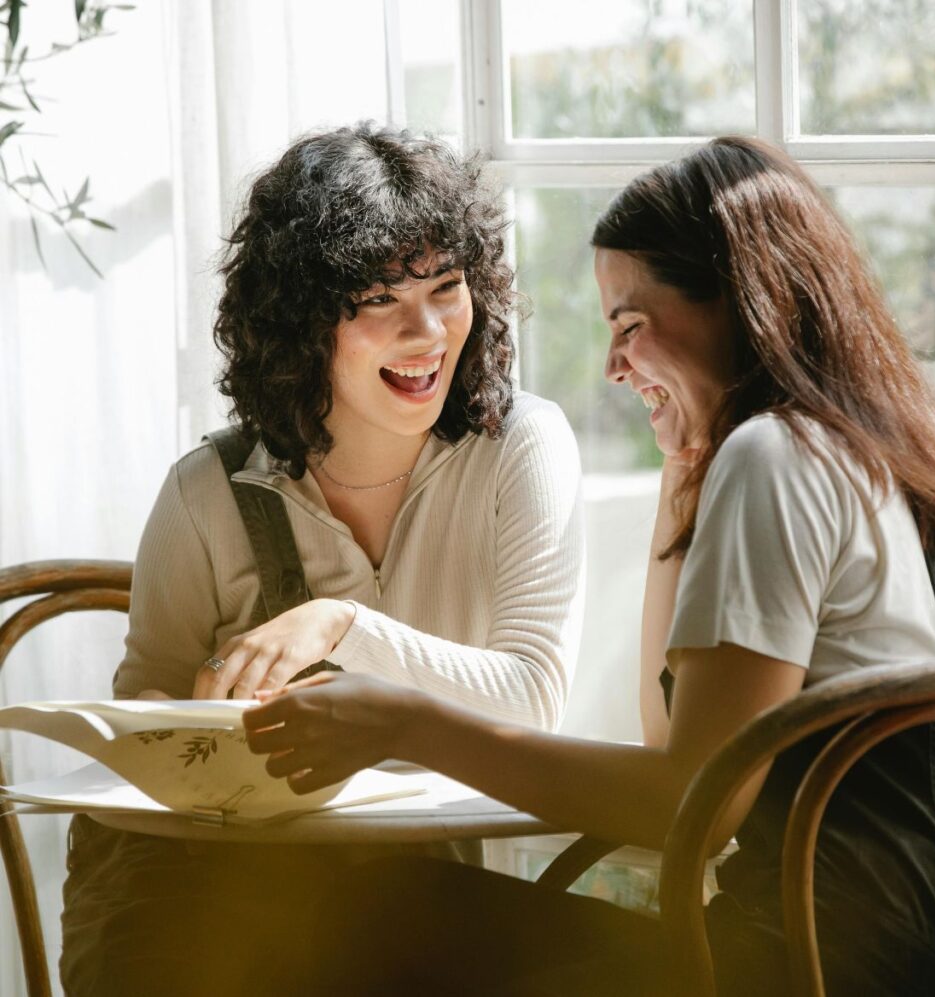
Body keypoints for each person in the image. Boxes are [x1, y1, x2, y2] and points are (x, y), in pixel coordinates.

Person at [242, 136, 935, 996]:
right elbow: (670, 745)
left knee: (370, 919)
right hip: (892, 960)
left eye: (630, 327)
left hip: (811, 970)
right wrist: (683, 473)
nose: (610, 366)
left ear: (739, 305)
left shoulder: (775, 458)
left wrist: (404, 724)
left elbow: (691, 807)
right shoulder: (828, 448)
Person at [59, 122, 585, 997]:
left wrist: (341, 624)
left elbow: (535, 701)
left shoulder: (521, 447)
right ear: (302, 324)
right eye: (379, 300)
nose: (428, 334)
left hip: (416, 891)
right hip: (213, 898)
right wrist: (186, 722)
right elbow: (144, 705)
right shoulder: (206, 492)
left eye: (448, 288)